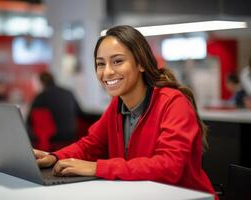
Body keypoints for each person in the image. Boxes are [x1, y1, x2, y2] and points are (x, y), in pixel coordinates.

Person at [33, 25, 218, 199]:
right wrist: (54, 157)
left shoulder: (173, 103)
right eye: (100, 64)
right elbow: (90, 145)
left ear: (141, 64)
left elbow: (169, 167)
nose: (107, 72)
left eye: (118, 61)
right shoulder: (117, 105)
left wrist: (98, 168)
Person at [27, 71, 85, 151]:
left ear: (41, 82)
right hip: (72, 135)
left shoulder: (41, 96)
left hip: (53, 138)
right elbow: (80, 113)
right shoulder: (68, 92)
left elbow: (30, 119)